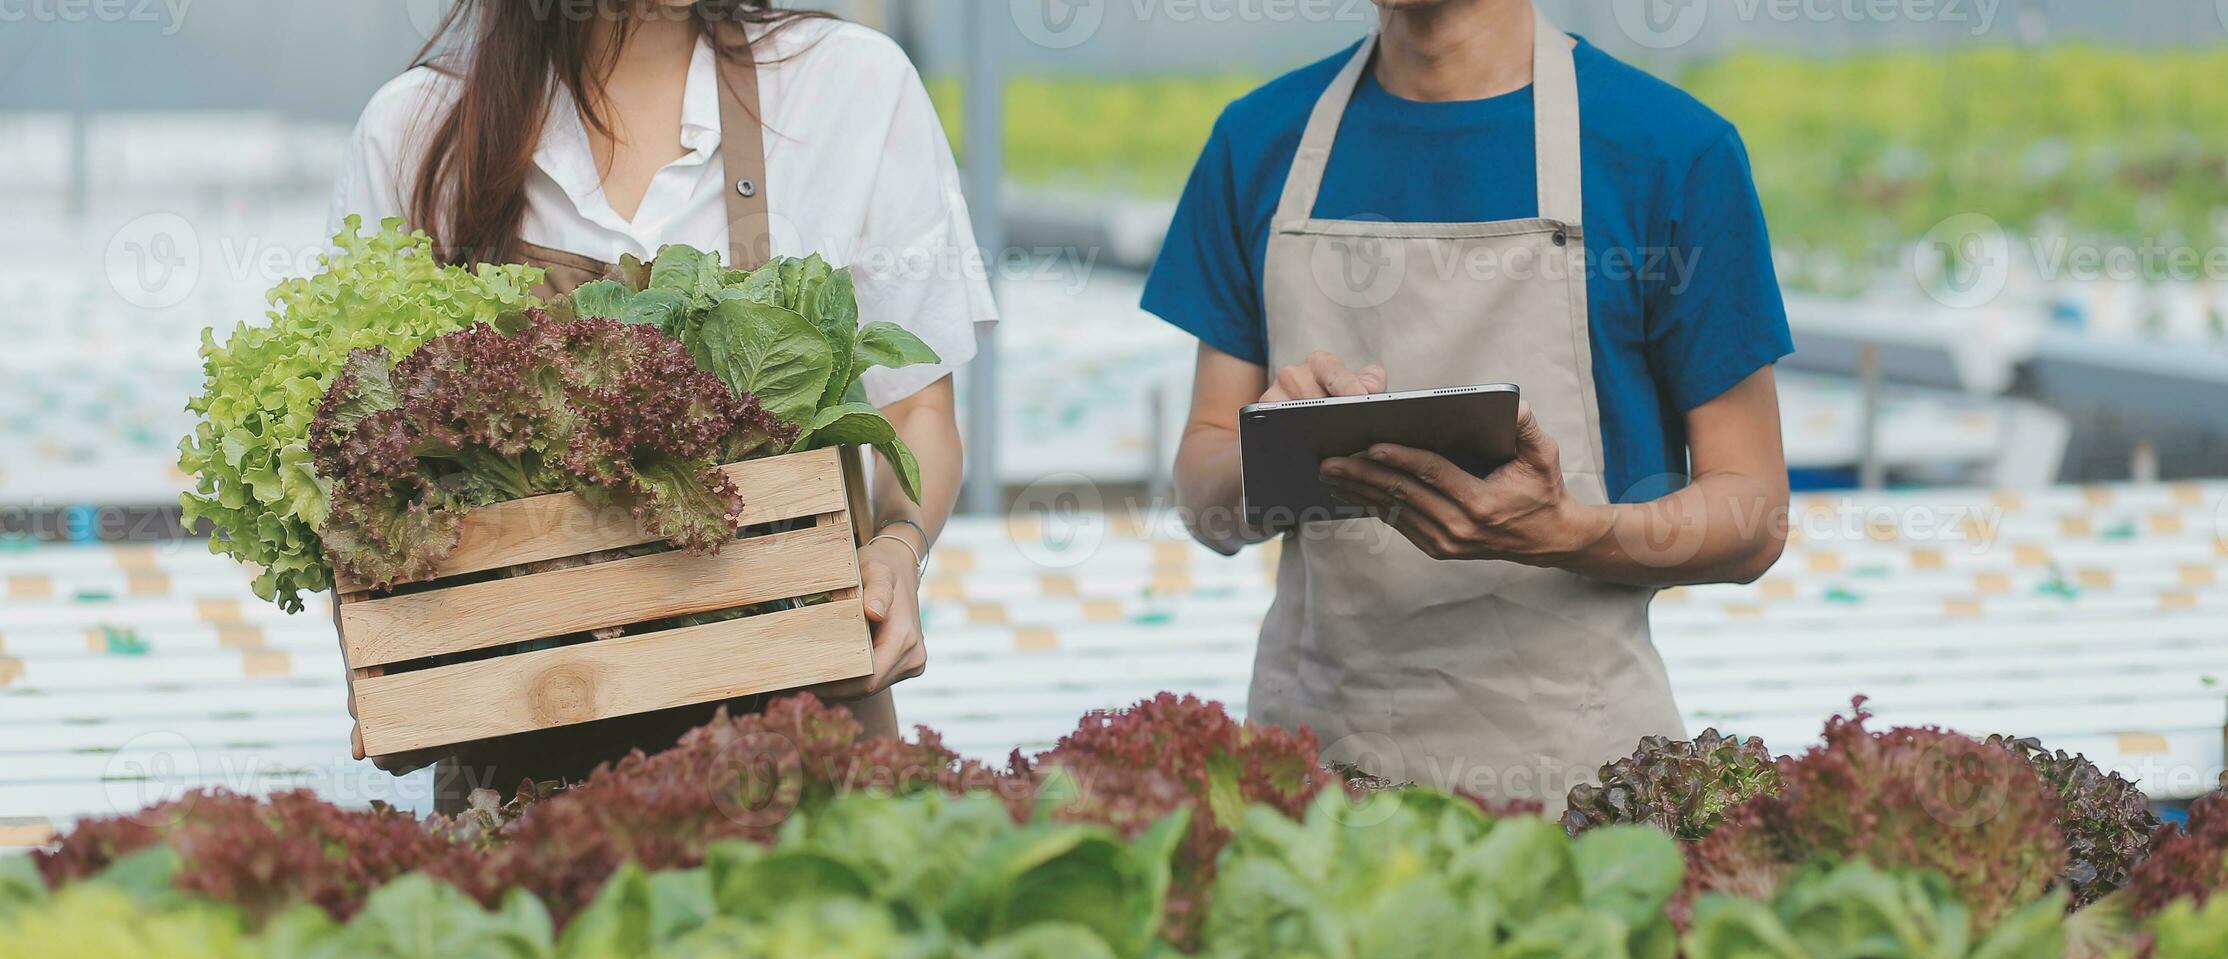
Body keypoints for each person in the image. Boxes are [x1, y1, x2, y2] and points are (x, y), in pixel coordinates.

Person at [326, 0, 993, 808]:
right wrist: (386, 666)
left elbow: (917, 411)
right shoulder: (414, 132)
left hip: (804, 734)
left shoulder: (847, 85)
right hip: (523, 756)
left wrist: (898, 544)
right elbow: (357, 467)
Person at [1145, 0, 1794, 803]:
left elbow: (1753, 514)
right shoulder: (1257, 143)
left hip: (1581, 803)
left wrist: (1569, 532)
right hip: (1315, 793)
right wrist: (1273, 448)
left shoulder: (1669, 151)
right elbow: (1205, 501)